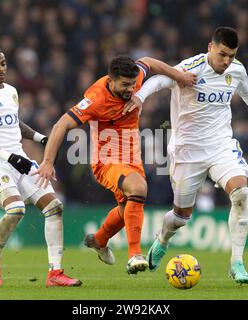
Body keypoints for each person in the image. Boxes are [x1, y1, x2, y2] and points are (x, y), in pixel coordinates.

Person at [124, 27, 248, 284]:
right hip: (187, 151)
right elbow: (158, 80)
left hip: (220, 145)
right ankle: (163, 239)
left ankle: (237, 262)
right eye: (223, 54)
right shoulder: (192, 67)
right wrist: (140, 97)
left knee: (241, 192)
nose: (226, 61)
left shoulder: (237, 70)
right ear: (210, 47)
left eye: (231, 56)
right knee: (180, 218)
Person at [33, 55, 196, 274]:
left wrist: (179, 76)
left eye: (133, 84)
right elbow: (61, 124)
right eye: (125, 85)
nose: (131, 89)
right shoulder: (96, 99)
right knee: (139, 189)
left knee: (125, 208)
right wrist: (47, 161)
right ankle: (134, 254)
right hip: (106, 161)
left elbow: (149, 62)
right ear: (111, 80)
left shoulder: (134, 77)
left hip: (132, 157)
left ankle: (99, 240)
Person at [0, 46, 81, 287]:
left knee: (54, 207)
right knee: (16, 210)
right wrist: (8, 156)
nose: (1, 69)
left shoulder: (11, 92)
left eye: (3, 63)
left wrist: (41, 138)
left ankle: (55, 273)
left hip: (20, 159)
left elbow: (13, 123)